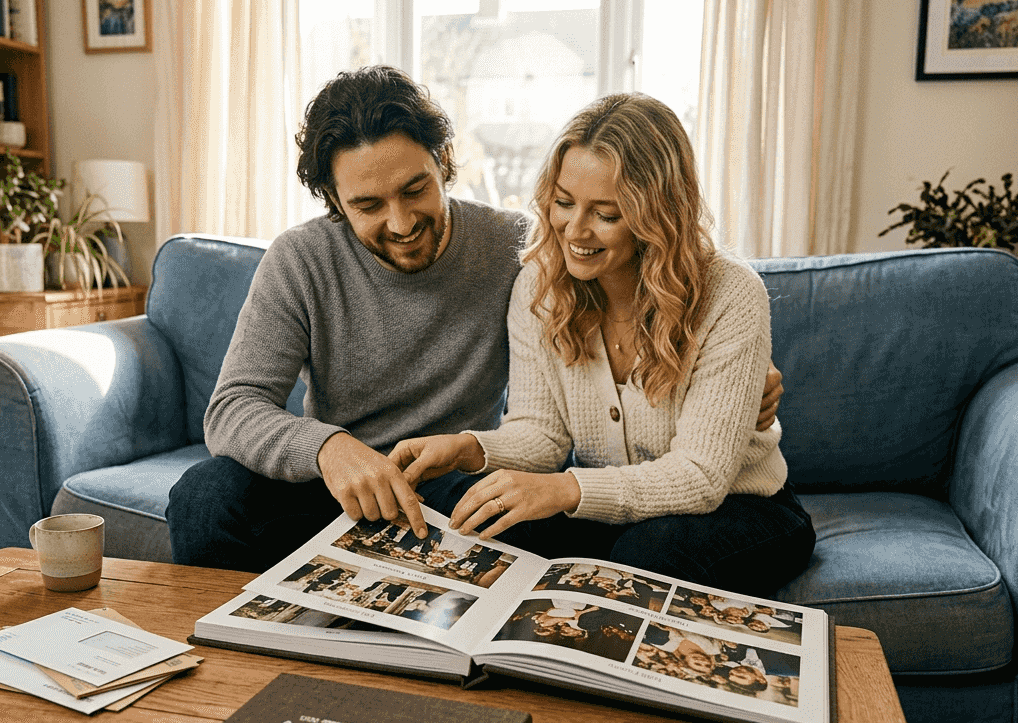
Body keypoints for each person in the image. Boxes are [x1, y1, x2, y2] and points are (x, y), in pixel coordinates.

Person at [166, 66, 785, 573]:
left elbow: (548, 443)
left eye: (416, 190)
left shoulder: (518, 251)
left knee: (568, 546)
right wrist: (328, 448)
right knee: (206, 497)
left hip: (449, 489)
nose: (403, 222)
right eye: (368, 205)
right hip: (339, 485)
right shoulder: (302, 260)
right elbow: (232, 409)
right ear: (334, 203)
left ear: (445, 162)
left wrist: (466, 451)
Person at [391, 93, 815, 597]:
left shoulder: (731, 293)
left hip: (742, 506)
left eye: (605, 214)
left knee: (647, 556)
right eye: (564, 203)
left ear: (657, 214)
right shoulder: (540, 284)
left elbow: (701, 478)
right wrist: (466, 449)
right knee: (463, 502)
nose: (575, 229)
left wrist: (567, 489)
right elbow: (541, 438)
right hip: (614, 505)